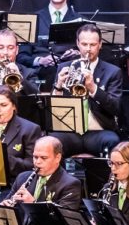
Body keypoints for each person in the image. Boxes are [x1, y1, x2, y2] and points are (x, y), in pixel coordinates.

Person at [51, 23, 123, 157]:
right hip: (70, 131)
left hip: (99, 131)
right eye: (84, 44)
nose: (88, 49)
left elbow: (115, 108)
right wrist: (58, 86)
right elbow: (54, 109)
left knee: (113, 141)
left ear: (100, 44)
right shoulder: (64, 67)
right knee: (51, 143)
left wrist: (93, 88)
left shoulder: (112, 72)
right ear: (77, 43)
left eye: (93, 45)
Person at [20, 0, 79, 85]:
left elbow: (88, 54)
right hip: (39, 76)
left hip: (70, 76)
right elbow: (21, 56)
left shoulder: (79, 20)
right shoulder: (33, 19)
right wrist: (40, 61)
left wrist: (77, 53)